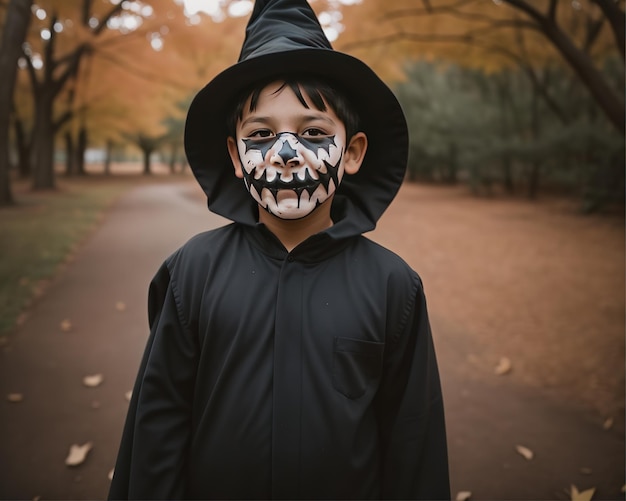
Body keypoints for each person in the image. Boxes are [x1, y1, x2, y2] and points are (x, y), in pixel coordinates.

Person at [108, 0, 450, 499]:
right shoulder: (191, 273)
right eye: (261, 134)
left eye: (313, 133)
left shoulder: (393, 286)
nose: (284, 154)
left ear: (352, 152)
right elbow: (157, 426)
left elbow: (413, 443)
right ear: (235, 155)